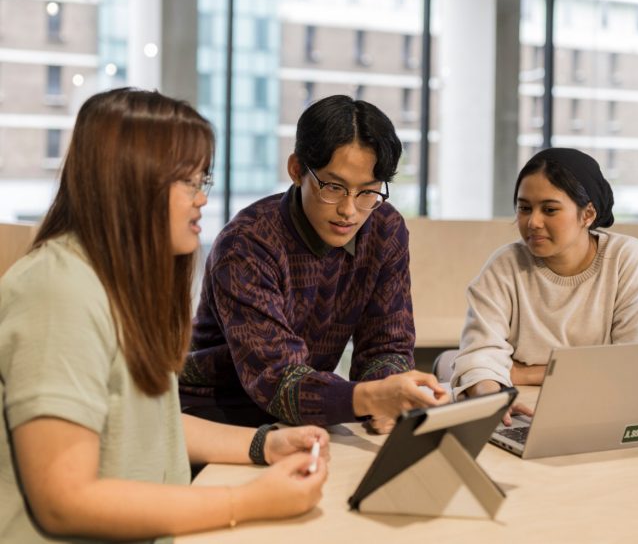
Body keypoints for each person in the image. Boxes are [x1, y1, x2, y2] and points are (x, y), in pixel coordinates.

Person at [0, 88, 328, 544]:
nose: (202, 199)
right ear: (134, 182)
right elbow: (64, 500)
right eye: (189, 182)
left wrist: (264, 444)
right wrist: (249, 502)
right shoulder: (58, 291)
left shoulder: (113, 282)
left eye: (203, 181)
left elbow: (150, 424)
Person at [179, 95, 446, 434]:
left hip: (303, 417)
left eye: (367, 192)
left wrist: (388, 394)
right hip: (214, 414)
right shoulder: (248, 243)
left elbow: (387, 345)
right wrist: (372, 397)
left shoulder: (383, 229)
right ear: (296, 170)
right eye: (334, 187)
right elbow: (277, 381)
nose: (349, 210)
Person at [451, 147, 638, 420]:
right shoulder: (505, 265)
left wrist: (525, 373)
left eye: (550, 209)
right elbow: (478, 357)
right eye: (524, 208)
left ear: (587, 214)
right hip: (524, 412)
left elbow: (634, 366)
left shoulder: (627, 259)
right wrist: (493, 397)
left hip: (606, 411)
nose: (533, 222)